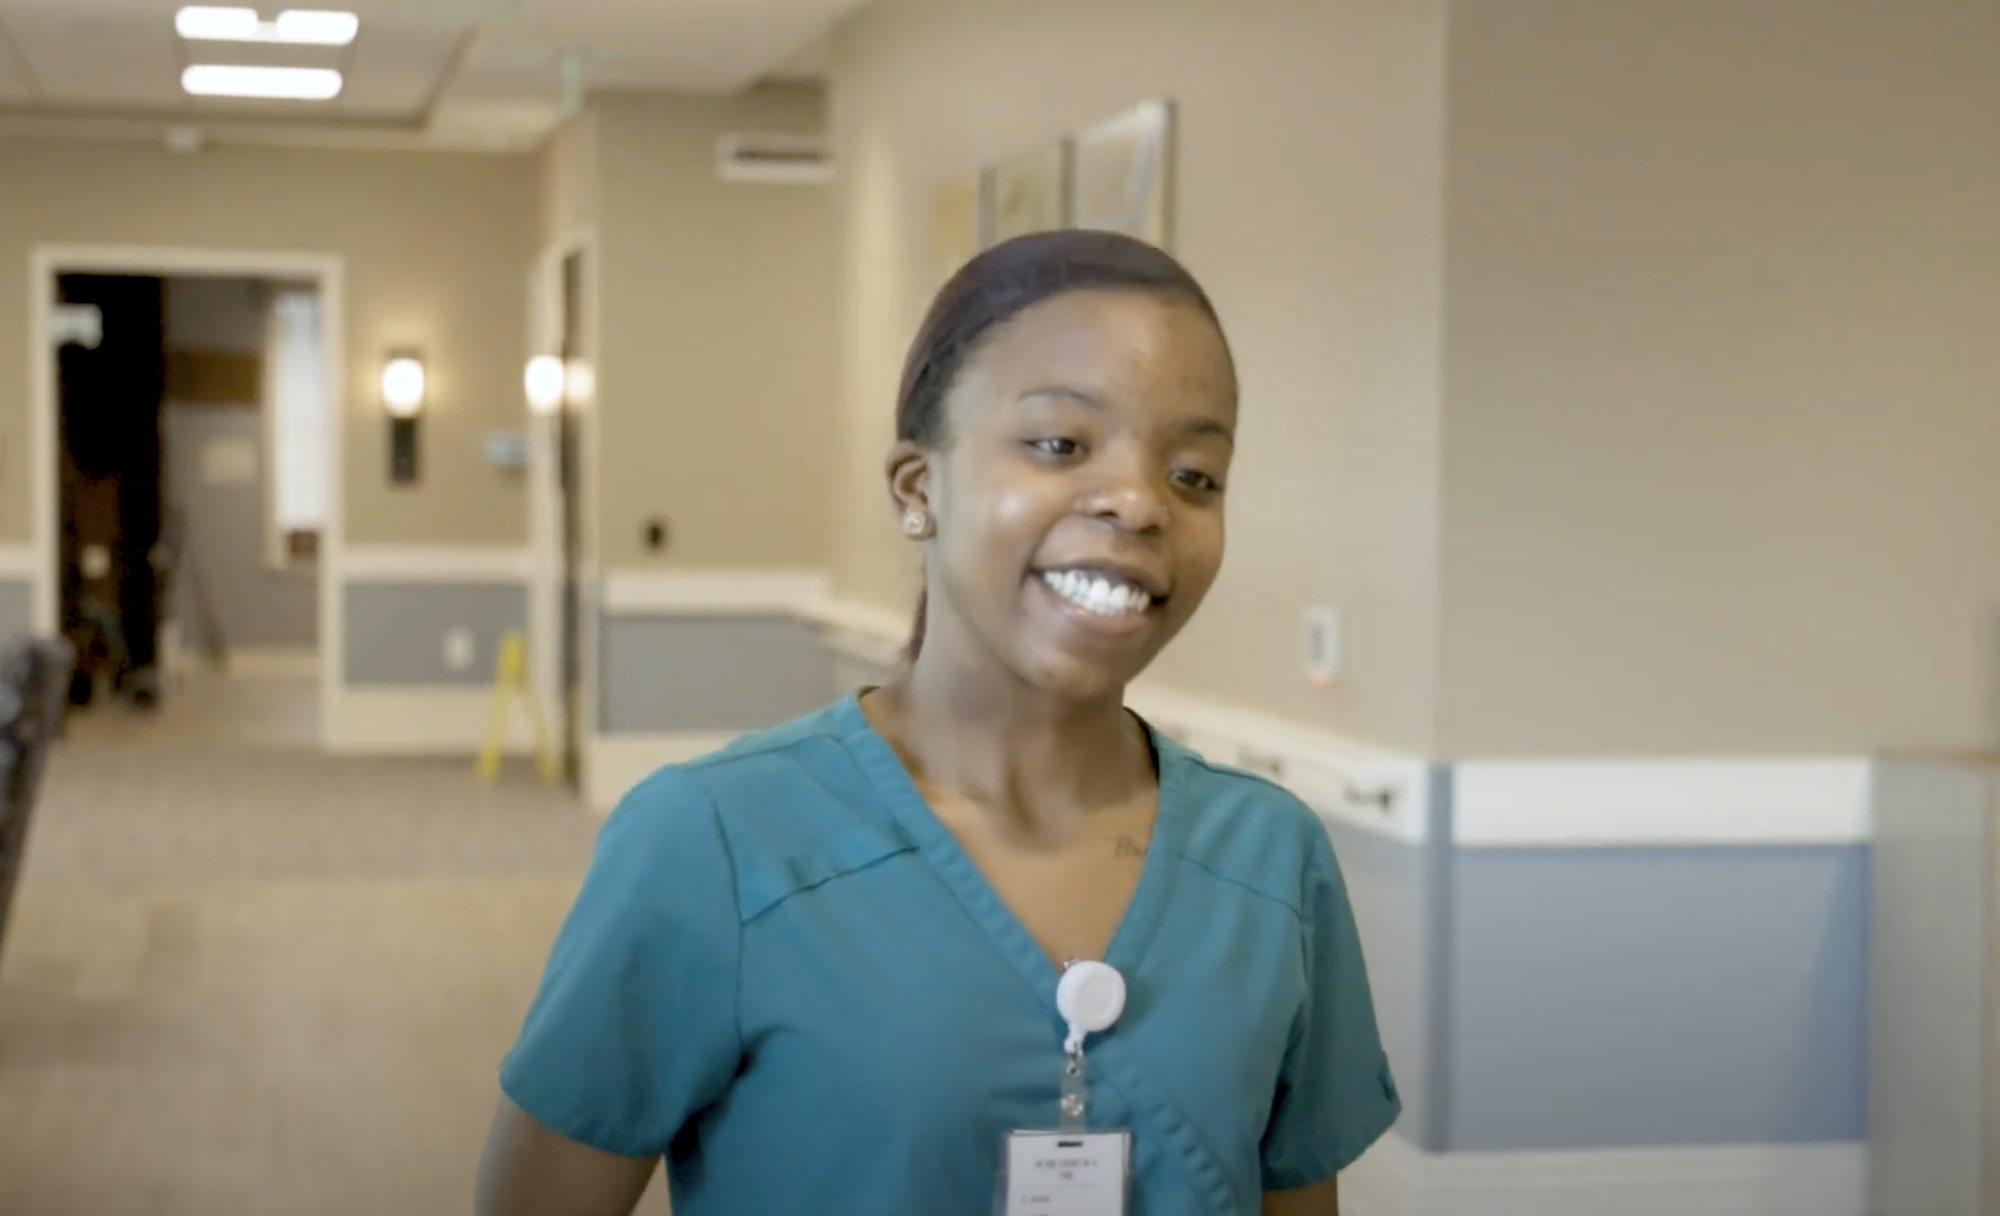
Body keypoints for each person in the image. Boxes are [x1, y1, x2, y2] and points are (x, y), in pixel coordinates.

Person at [475, 229, 1401, 1216]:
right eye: (1058, 444)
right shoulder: (714, 842)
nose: (1137, 503)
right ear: (918, 490)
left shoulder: (1269, 857)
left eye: (1193, 475)